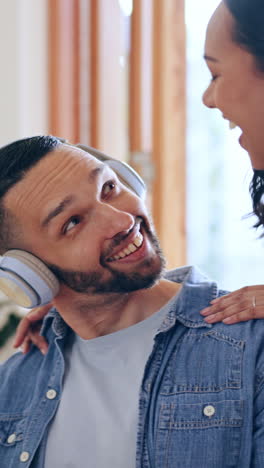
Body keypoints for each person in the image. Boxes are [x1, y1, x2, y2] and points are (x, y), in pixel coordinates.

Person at [1, 135, 264, 468]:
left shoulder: (251, 347)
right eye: (73, 222)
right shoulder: (12, 386)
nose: (122, 221)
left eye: (109, 188)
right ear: (30, 274)